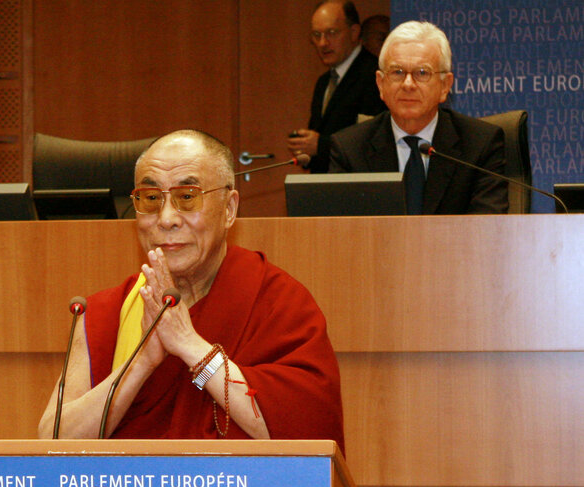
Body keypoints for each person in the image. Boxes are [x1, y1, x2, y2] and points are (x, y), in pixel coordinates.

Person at [39, 130, 344, 446]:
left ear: (228, 209)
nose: (167, 218)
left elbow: (304, 439)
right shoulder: (108, 311)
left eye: (187, 197)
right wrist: (141, 361)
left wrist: (190, 346)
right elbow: (55, 442)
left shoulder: (278, 301)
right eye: (151, 198)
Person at [328, 21, 508, 214]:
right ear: (380, 84)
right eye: (397, 72)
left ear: (445, 86)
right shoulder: (349, 149)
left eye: (422, 73)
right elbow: (340, 232)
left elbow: (488, 231)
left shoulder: (480, 145)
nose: (408, 84)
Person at [287, 0, 386, 174]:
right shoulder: (324, 81)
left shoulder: (374, 75)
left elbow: (373, 142)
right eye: (316, 35)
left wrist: (321, 146)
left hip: (357, 189)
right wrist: (306, 152)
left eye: (331, 33)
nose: (323, 43)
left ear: (354, 32)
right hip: (324, 188)